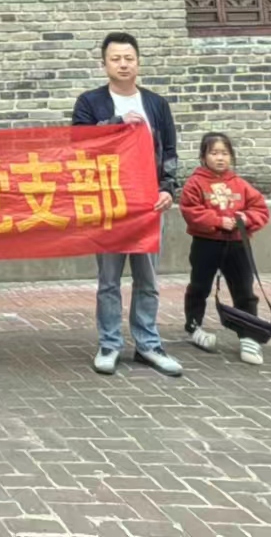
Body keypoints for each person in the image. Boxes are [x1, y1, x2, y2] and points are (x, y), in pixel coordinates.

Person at [72, 32, 180, 377]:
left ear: (138, 61)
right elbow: (79, 143)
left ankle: (148, 344)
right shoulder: (90, 102)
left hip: (148, 204)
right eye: (116, 59)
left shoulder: (156, 104)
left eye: (129, 58)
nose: (123, 64)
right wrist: (118, 124)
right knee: (109, 280)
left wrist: (168, 188)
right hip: (109, 203)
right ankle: (109, 343)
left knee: (148, 280)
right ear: (104, 64)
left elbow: (170, 151)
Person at [180, 132, 270, 366]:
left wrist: (246, 219)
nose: (220, 158)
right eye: (214, 153)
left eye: (225, 153)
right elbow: (191, 211)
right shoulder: (195, 183)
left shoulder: (240, 184)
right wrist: (218, 221)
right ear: (203, 157)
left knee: (244, 290)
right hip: (206, 243)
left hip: (238, 244)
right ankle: (194, 325)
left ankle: (249, 335)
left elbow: (260, 209)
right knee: (200, 286)